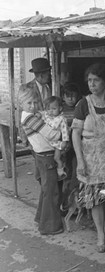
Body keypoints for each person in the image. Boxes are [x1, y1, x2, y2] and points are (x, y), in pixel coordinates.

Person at [71, 63, 105, 252]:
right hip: (92, 162)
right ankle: (101, 235)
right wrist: (80, 161)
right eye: (89, 80)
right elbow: (75, 134)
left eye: (96, 80)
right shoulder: (83, 104)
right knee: (95, 200)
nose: (92, 84)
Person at [18, 85, 64, 236]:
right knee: (52, 192)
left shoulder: (32, 115)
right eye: (29, 103)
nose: (33, 106)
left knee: (46, 190)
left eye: (35, 102)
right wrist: (63, 133)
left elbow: (44, 114)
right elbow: (51, 135)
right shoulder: (30, 118)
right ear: (21, 104)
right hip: (46, 157)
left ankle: (41, 218)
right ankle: (50, 226)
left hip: (42, 156)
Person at [18, 57, 52, 145]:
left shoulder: (48, 87)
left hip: (45, 131)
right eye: (48, 73)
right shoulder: (27, 89)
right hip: (33, 133)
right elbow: (20, 114)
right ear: (41, 75)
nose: (50, 75)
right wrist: (24, 139)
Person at [61, 83, 81, 209]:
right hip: (65, 148)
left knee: (75, 173)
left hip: (76, 147)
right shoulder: (59, 109)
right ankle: (65, 204)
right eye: (68, 96)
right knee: (66, 174)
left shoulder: (79, 108)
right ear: (63, 97)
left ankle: (75, 204)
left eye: (73, 96)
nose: (70, 99)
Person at [42, 96, 70, 180]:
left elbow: (65, 131)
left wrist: (65, 142)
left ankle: (60, 171)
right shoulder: (46, 116)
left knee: (57, 158)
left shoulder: (62, 119)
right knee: (49, 159)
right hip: (47, 142)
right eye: (48, 109)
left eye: (54, 108)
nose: (51, 111)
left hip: (57, 143)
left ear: (60, 108)